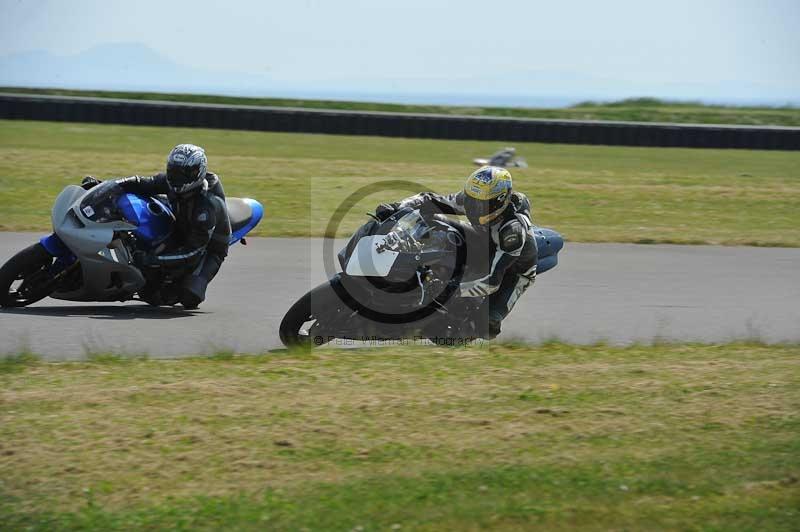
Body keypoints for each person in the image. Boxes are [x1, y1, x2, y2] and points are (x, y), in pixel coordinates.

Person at [375, 166, 537, 338]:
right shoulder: (474, 200)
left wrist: (451, 289)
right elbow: (429, 200)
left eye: (480, 204)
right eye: (470, 200)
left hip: (513, 269)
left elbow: (493, 280)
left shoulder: (512, 230)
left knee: (485, 325)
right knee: (434, 220)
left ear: (499, 201)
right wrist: (396, 207)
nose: (472, 208)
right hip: (483, 240)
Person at [81, 144, 231, 309]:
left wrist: (151, 259)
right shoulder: (171, 182)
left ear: (197, 173)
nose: (175, 177)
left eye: (181, 174)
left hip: (207, 247)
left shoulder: (206, 208)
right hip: (180, 220)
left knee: (190, 296)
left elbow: (192, 252)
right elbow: (140, 183)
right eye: (172, 171)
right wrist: (104, 186)